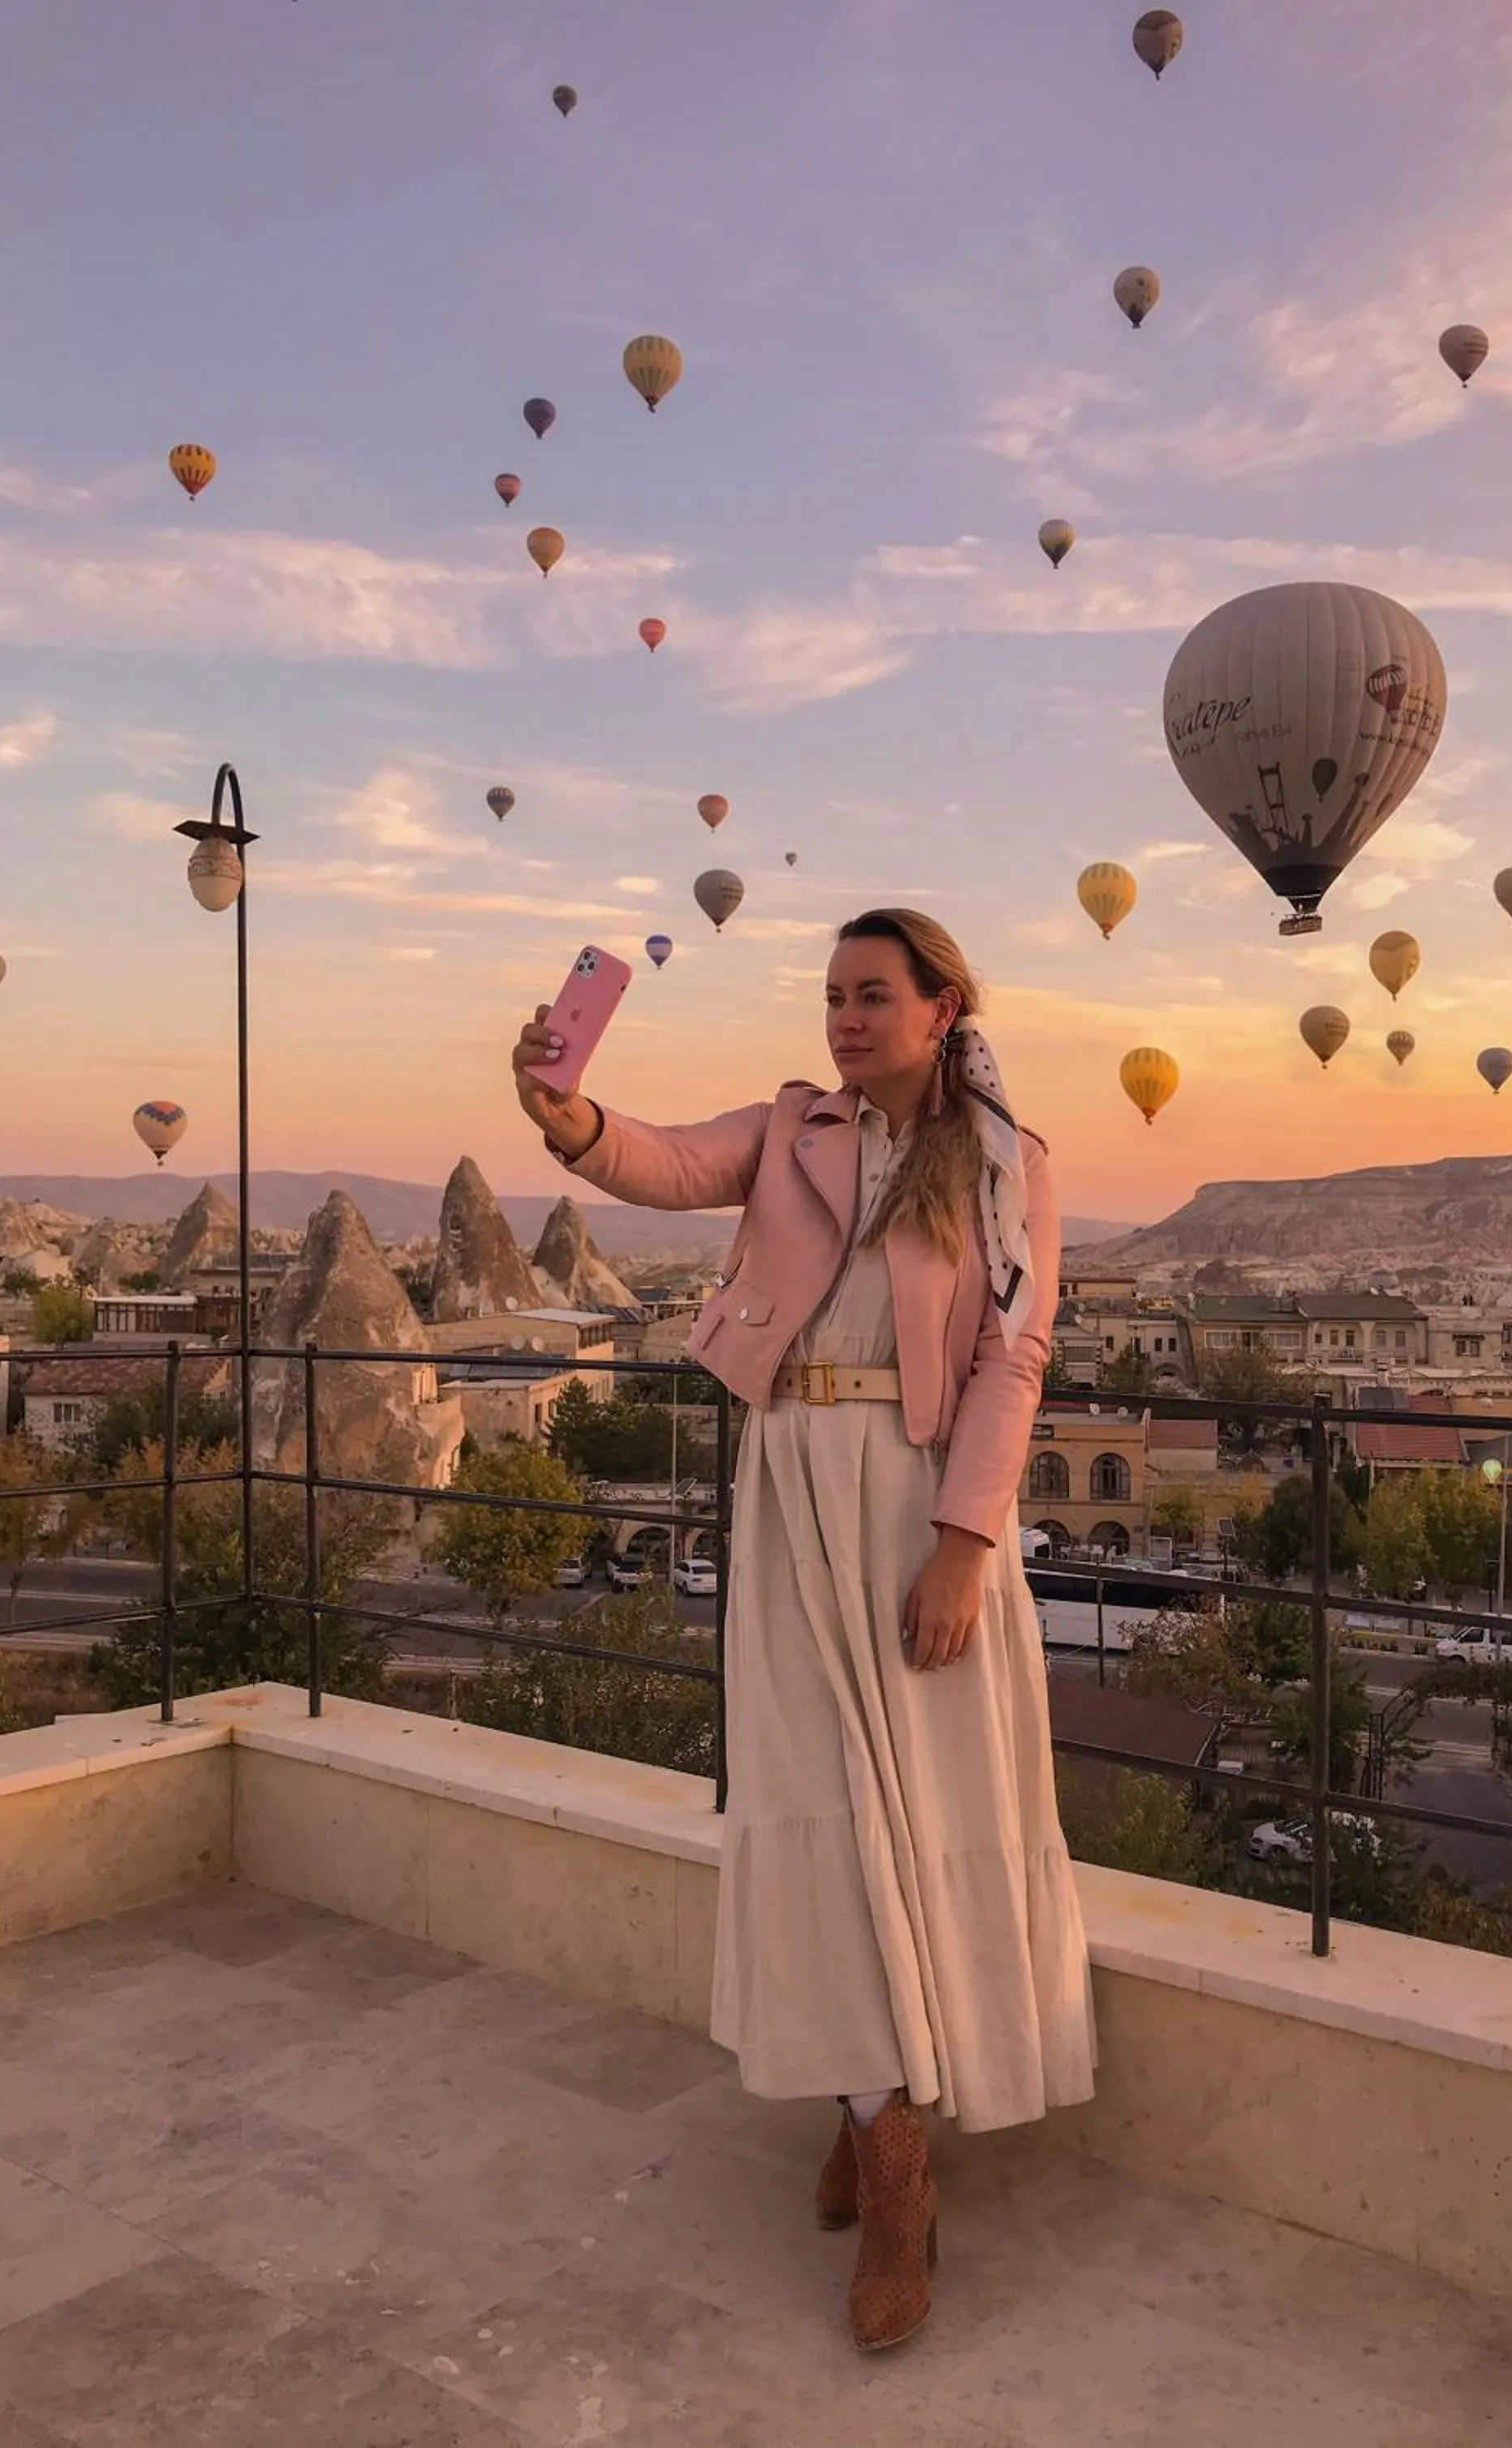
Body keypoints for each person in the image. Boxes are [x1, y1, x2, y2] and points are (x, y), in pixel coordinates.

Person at [512, 907, 1096, 2351]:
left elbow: (1014, 1361)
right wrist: (567, 1114)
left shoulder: (1009, 1164)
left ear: (943, 1007)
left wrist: (964, 1547)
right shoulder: (789, 1129)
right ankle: (887, 2147)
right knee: (810, 1812)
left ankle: (876, 2118)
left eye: (872, 995)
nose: (843, 1018)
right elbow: (663, 1162)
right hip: (787, 1488)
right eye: (831, 995)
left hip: (917, 1502)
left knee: (925, 1816)